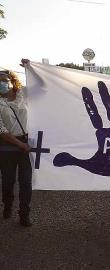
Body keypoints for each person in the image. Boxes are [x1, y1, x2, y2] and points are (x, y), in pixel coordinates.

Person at [0, 59, 33, 226]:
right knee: (8, 180)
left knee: (26, 181)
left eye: (4, 81)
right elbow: (2, 131)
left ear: (11, 80)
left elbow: (42, 88)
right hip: (6, 146)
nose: (2, 84)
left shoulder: (22, 93)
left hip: (25, 142)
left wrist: (30, 68)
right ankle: (8, 205)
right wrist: (20, 145)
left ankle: (24, 213)